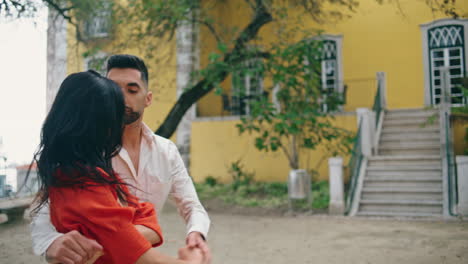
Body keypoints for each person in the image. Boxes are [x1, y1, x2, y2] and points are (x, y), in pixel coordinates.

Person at [31, 55, 211, 264]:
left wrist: (196, 234)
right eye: (115, 90)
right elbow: (43, 208)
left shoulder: (166, 151)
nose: (123, 99)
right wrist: (51, 242)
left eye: (132, 90)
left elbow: (185, 206)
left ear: (148, 98)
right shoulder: (84, 163)